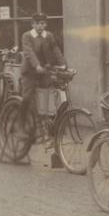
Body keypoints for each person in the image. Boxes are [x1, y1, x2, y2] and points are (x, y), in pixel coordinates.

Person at [17, 12, 66, 149]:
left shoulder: (48, 36)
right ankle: (21, 126)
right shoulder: (27, 36)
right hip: (30, 72)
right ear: (33, 24)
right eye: (37, 23)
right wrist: (37, 65)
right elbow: (29, 52)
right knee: (27, 98)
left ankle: (46, 130)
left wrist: (63, 64)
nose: (40, 26)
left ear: (46, 24)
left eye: (42, 23)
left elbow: (55, 50)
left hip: (44, 72)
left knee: (48, 99)